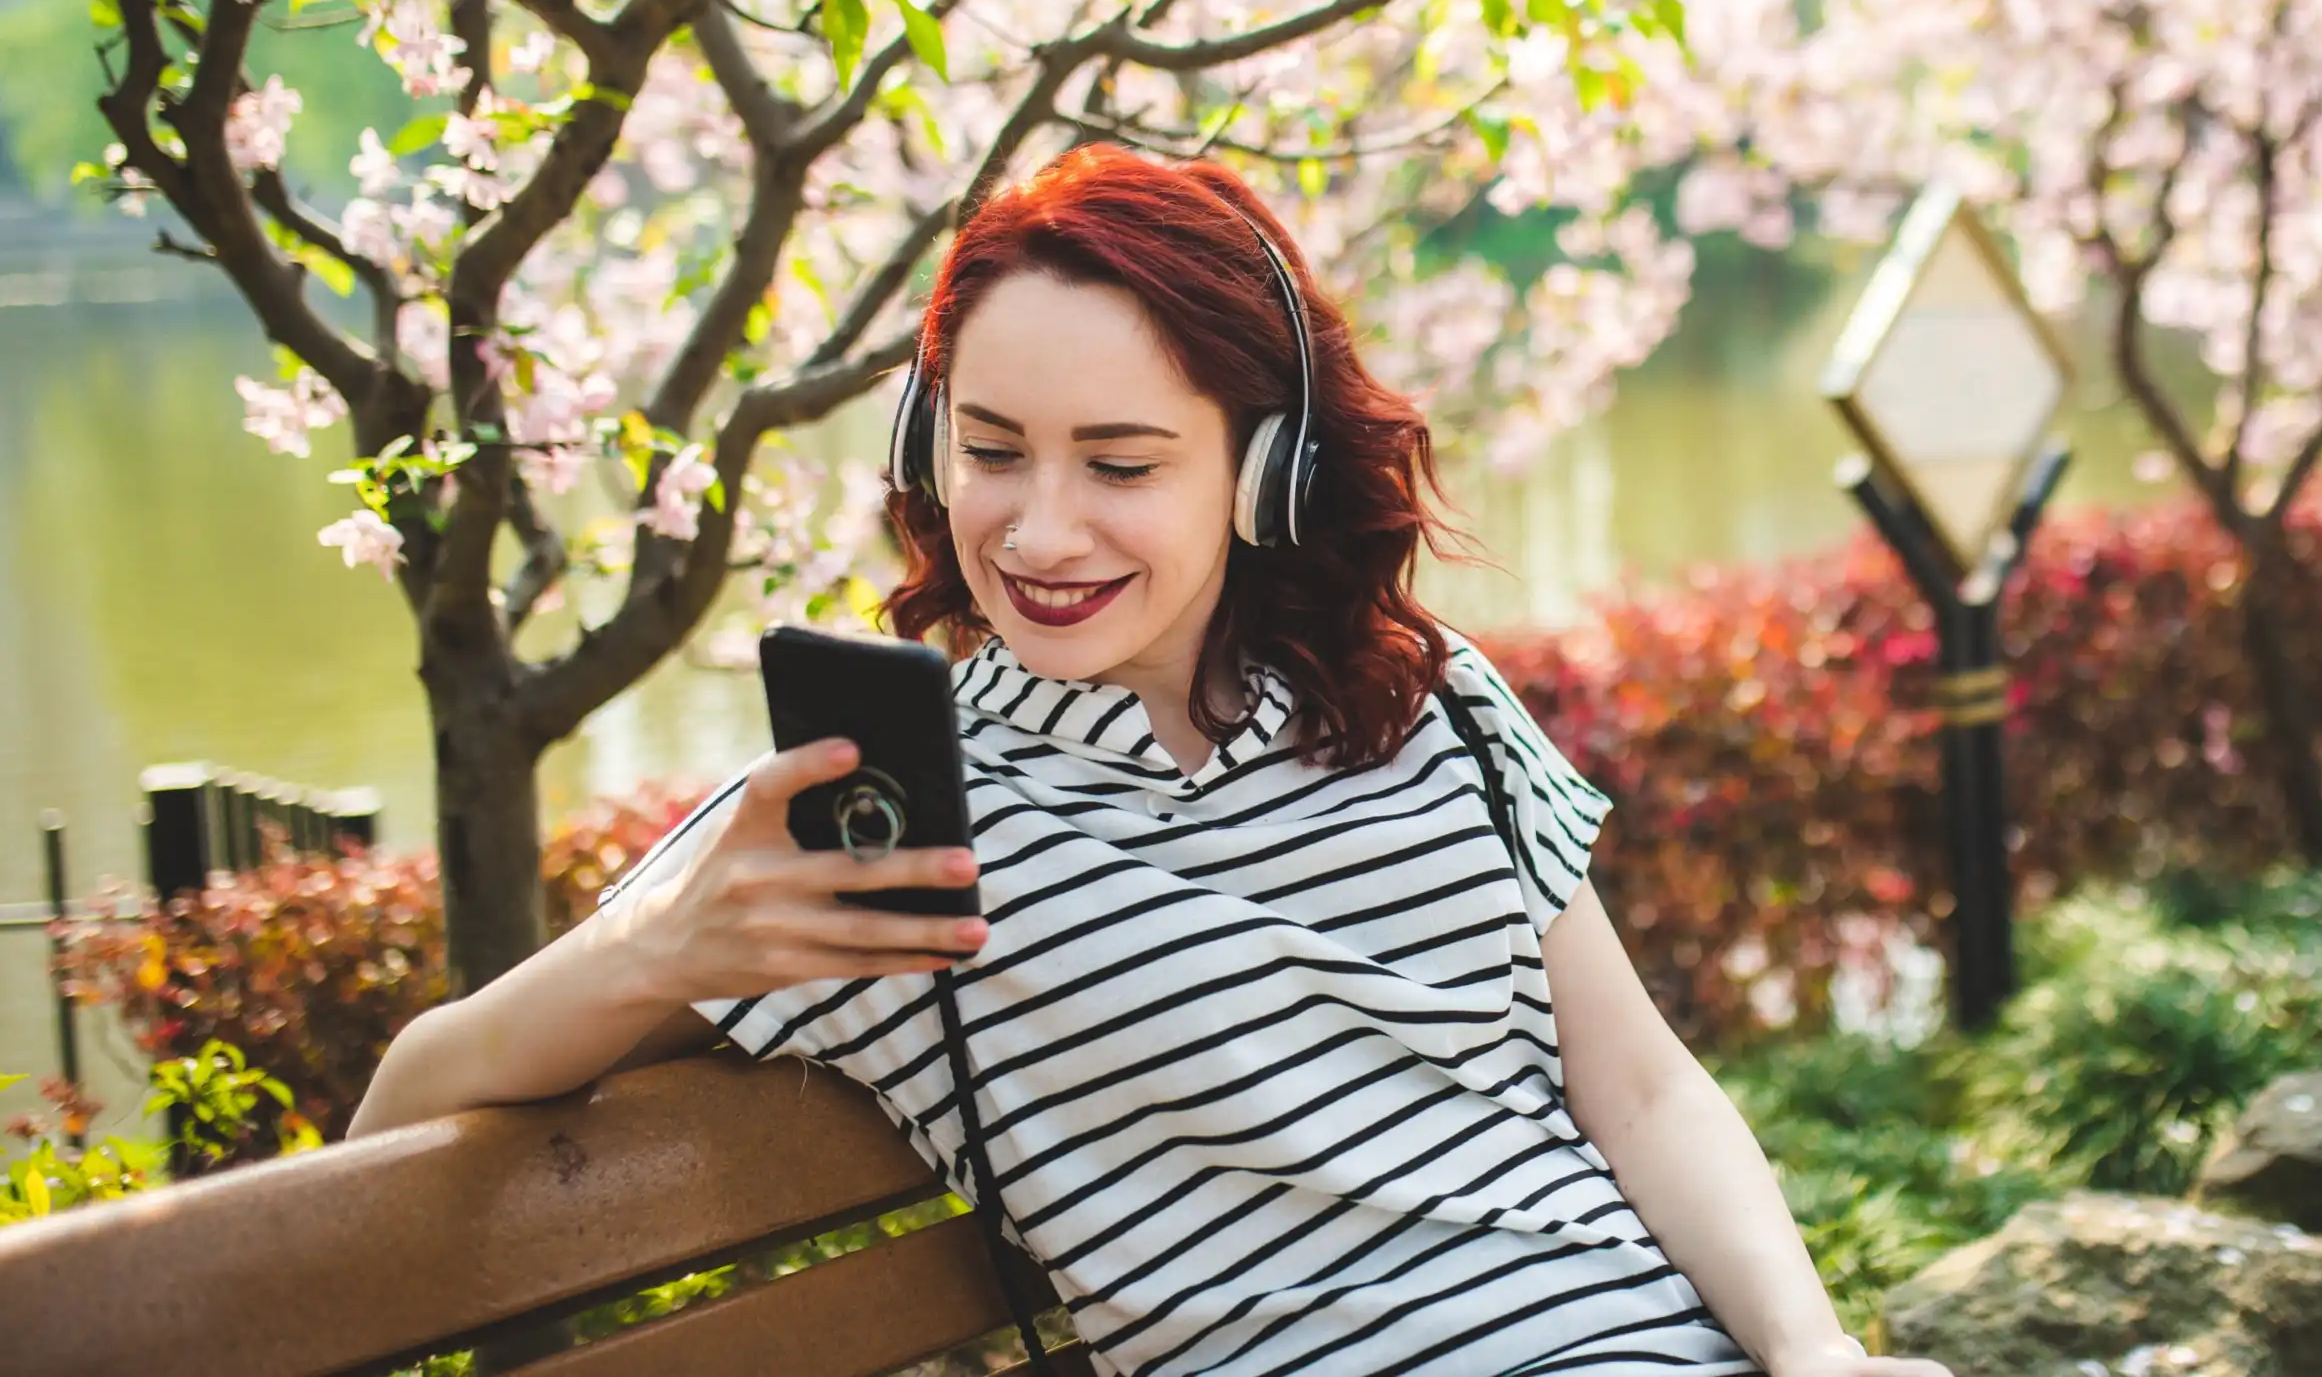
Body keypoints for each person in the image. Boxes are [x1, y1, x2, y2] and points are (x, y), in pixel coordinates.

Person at [352, 145, 1950, 1377]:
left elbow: (1643, 1084)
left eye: (1120, 464)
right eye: (988, 453)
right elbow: (397, 1125)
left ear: (1266, 475)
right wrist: (667, 948)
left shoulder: (1428, 704)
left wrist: (1812, 1349)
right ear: (923, 451)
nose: (1040, 532)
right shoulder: (883, 809)